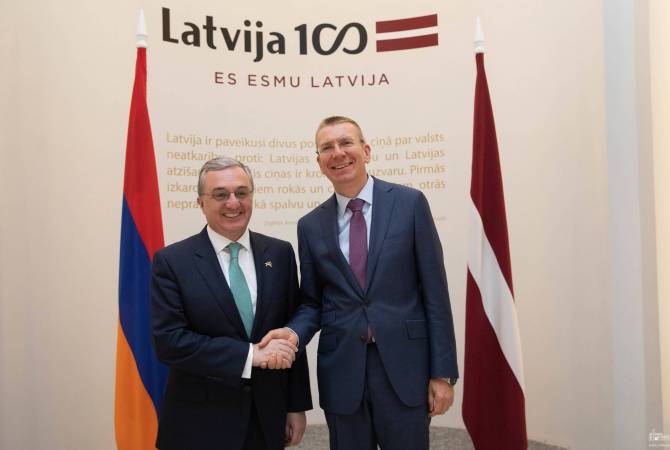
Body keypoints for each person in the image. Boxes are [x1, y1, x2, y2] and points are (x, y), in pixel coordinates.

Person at [261, 116, 458, 450]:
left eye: (346, 143)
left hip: (404, 369)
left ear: (366, 151)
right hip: (342, 372)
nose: (338, 153)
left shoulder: (410, 204)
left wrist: (443, 373)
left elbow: (435, 293)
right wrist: (293, 334)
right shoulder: (310, 225)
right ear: (319, 162)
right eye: (327, 147)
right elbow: (312, 302)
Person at [151, 157, 312, 450]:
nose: (233, 203)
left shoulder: (280, 253)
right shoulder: (172, 261)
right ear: (201, 202)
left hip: (266, 419)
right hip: (199, 425)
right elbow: (170, 341)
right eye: (220, 194)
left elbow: (289, 334)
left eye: (241, 192)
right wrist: (250, 356)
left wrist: (296, 405)